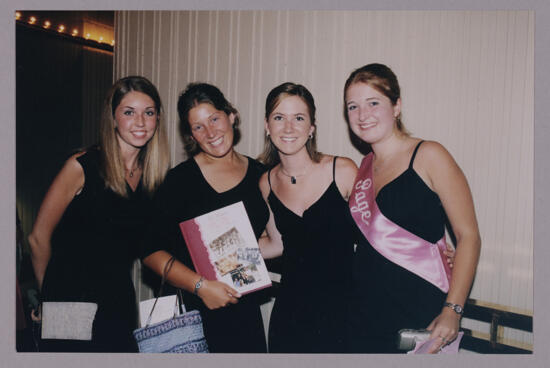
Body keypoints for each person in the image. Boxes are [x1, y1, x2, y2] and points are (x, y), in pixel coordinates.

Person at [344, 63, 481, 353]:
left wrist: (453, 310)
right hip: (362, 314)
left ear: (396, 106)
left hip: (420, 313)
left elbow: (468, 236)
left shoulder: (429, 155)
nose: (362, 114)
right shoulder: (363, 167)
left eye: (373, 103)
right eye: (353, 106)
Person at [28, 76, 170, 352]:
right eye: (129, 112)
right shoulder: (82, 166)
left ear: (158, 119)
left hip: (117, 301)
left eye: (148, 113)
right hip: (71, 300)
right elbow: (37, 238)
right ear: (113, 118)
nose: (140, 122)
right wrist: (51, 301)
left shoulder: (151, 178)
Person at [141, 83, 273, 353]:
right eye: (199, 126)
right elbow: (150, 252)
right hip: (192, 317)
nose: (211, 132)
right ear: (191, 134)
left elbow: (259, 243)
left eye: (214, 118)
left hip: (243, 316)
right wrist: (201, 287)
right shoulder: (179, 181)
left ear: (231, 116)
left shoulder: (262, 175)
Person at [257, 82, 358, 353]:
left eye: (298, 118)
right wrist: (218, 255)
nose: (288, 128)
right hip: (290, 316)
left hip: (343, 315)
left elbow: (379, 235)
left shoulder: (342, 171)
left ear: (311, 127)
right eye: (279, 118)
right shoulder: (266, 183)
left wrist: (429, 252)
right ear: (267, 125)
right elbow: (277, 244)